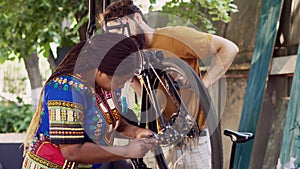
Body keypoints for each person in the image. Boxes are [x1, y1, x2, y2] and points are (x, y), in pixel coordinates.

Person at [97, 1, 239, 169]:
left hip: (193, 138)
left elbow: (229, 48)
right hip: (167, 138)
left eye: (122, 30)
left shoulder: (174, 37)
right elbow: (150, 97)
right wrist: (131, 77)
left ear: (136, 17)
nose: (122, 38)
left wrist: (201, 84)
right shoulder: (135, 54)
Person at [22, 33, 157, 169]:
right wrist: (127, 151)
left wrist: (136, 132)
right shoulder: (65, 90)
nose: (122, 85)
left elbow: (114, 121)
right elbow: (72, 152)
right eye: (120, 80)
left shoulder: (106, 86)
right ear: (99, 71)